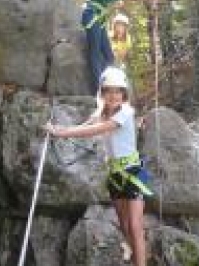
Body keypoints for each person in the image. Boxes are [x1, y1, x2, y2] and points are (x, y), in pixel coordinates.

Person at [42, 66, 151, 266]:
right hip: (115, 175)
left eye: (118, 91)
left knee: (135, 226)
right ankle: (134, 259)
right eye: (109, 90)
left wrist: (62, 134)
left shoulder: (126, 112)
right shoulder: (101, 112)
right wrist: (58, 129)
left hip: (133, 173)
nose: (113, 95)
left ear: (124, 94)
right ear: (102, 93)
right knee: (125, 225)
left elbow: (95, 130)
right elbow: (84, 126)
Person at [82, 0, 139, 94]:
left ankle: (113, 86)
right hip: (92, 18)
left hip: (99, 19)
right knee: (95, 54)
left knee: (108, 54)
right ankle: (100, 90)